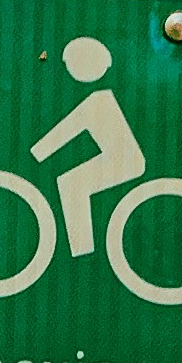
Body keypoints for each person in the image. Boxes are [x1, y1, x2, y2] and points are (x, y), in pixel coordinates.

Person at [30, 36, 147, 256]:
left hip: (125, 164)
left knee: (71, 183)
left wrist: (38, 153)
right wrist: (39, 153)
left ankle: (82, 253)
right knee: (71, 181)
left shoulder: (98, 100)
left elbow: (67, 130)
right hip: (119, 161)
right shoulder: (98, 97)